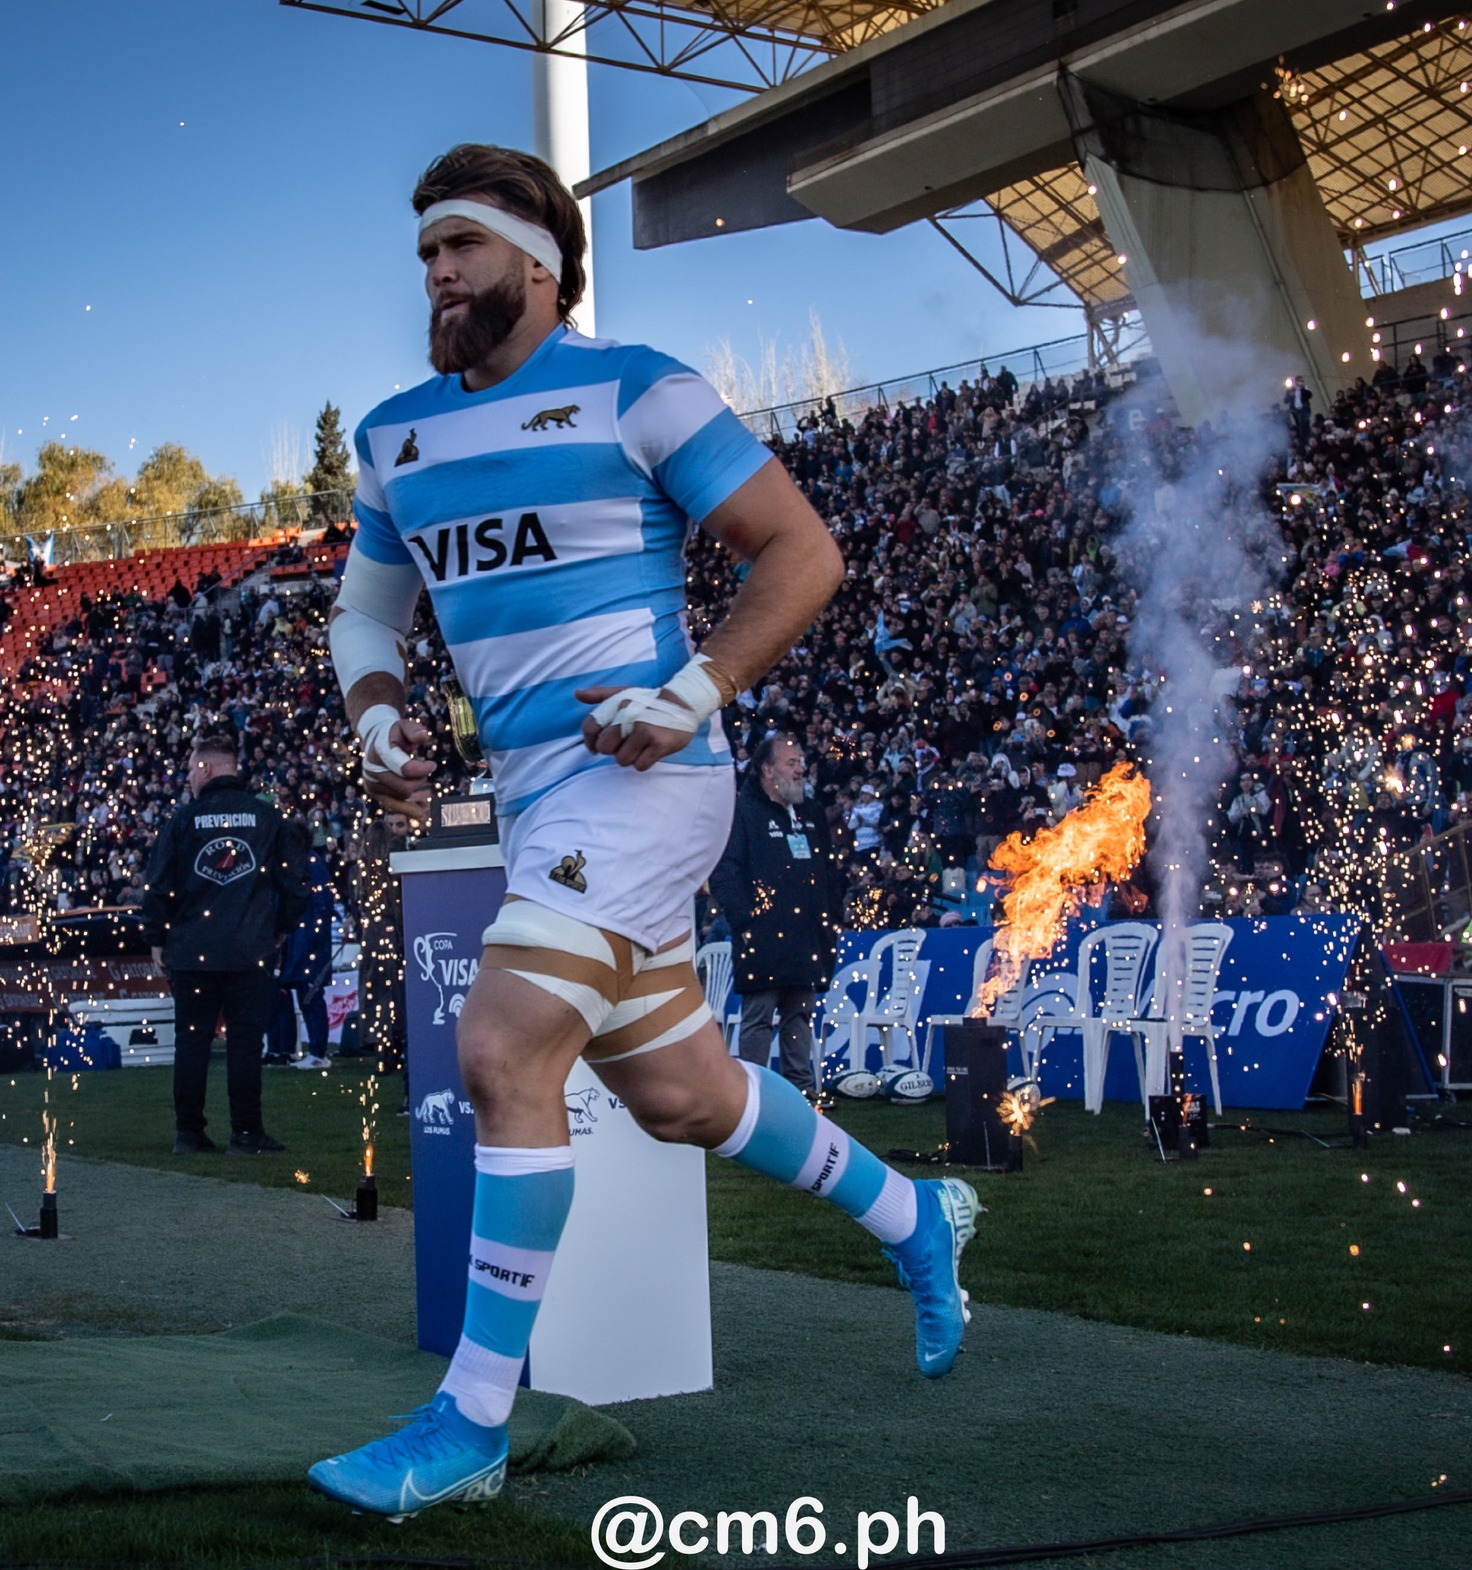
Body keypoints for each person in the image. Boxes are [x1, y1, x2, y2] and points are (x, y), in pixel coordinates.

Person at [308, 144, 981, 1520]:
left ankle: (472, 1422)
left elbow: (800, 551)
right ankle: (921, 1219)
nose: (436, 273)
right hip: (538, 801)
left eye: (461, 248)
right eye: (425, 253)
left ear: (539, 265)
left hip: (655, 781)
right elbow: (367, 616)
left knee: (499, 1044)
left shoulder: (639, 389)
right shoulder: (394, 436)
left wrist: (691, 692)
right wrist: (377, 718)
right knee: (684, 1097)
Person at [139, 732, 310, 1156]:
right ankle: (247, 1134)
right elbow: (296, 882)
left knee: (192, 1041)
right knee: (246, 1044)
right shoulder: (267, 818)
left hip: (193, 948)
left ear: (206, 768)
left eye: (190, 771)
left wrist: (156, 939)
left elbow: (157, 885)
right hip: (249, 948)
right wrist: (281, 927)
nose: (188, 779)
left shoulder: (183, 820)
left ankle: (188, 1134)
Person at [709, 734, 842, 1093]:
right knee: (759, 1019)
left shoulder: (812, 812)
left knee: (800, 1016)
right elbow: (724, 870)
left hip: (807, 938)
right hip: (762, 938)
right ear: (767, 770)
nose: (801, 769)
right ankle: (753, 1098)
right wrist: (747, 918)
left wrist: (831, 919)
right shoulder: (743, 811)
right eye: (791, 762)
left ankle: (804, 1098)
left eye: (801, 762)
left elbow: (830, 872)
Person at [268, 848, 337, 1067]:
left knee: (310, 994)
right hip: (291, 938)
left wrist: (313, 935)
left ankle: (317, 1053)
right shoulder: (285, 860)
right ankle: (282, 1049)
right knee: (282, 993)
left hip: (305, 940)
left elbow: (322, 903)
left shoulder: (310, 862)